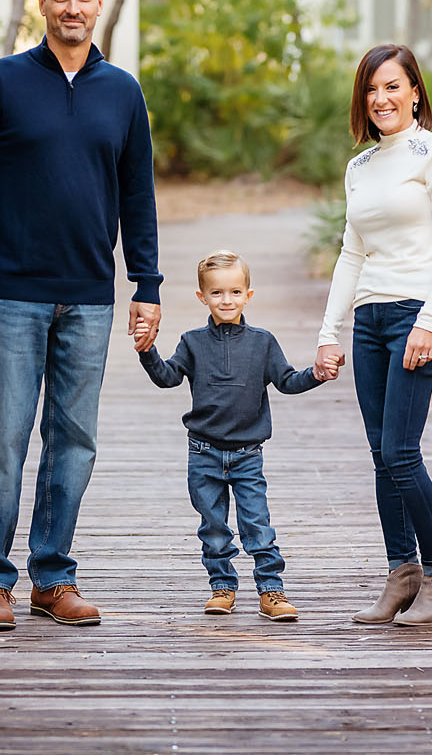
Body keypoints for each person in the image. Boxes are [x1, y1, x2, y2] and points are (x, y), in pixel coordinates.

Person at [0, 0, 162, 633]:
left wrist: (146, 284)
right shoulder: (2, 82)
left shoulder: (123, 92)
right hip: (7, 294)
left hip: (90, 297)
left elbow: (139, 196)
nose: (73, 8)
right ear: (44, 4)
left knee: (73, 441)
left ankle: (53, 577)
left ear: (100, 5)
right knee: (1, 441)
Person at [314, 43, 432, 626]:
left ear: (415, 92)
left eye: (393, 86)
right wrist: (332, 331)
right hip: (370, 322)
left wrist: (429, 318)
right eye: (372, 89)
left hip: (412, 315)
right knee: (382, 456)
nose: (381, 98)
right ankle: (402, 574)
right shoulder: (360, 167)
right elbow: (351, 253)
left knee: (403, 453)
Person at [136, 250, 328, 622]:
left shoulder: (263, 342)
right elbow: (168, 377)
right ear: (202, 297)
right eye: (218, 293)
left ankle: (271, 590)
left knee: (257, 524)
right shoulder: (192, 342)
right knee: (213, 527)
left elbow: (287, 381)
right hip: (203, 453)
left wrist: (316, 374)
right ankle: (222, 586)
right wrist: (148, 353)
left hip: (247, 454)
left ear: (248, 295)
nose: (227, 300)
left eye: (235, 292)